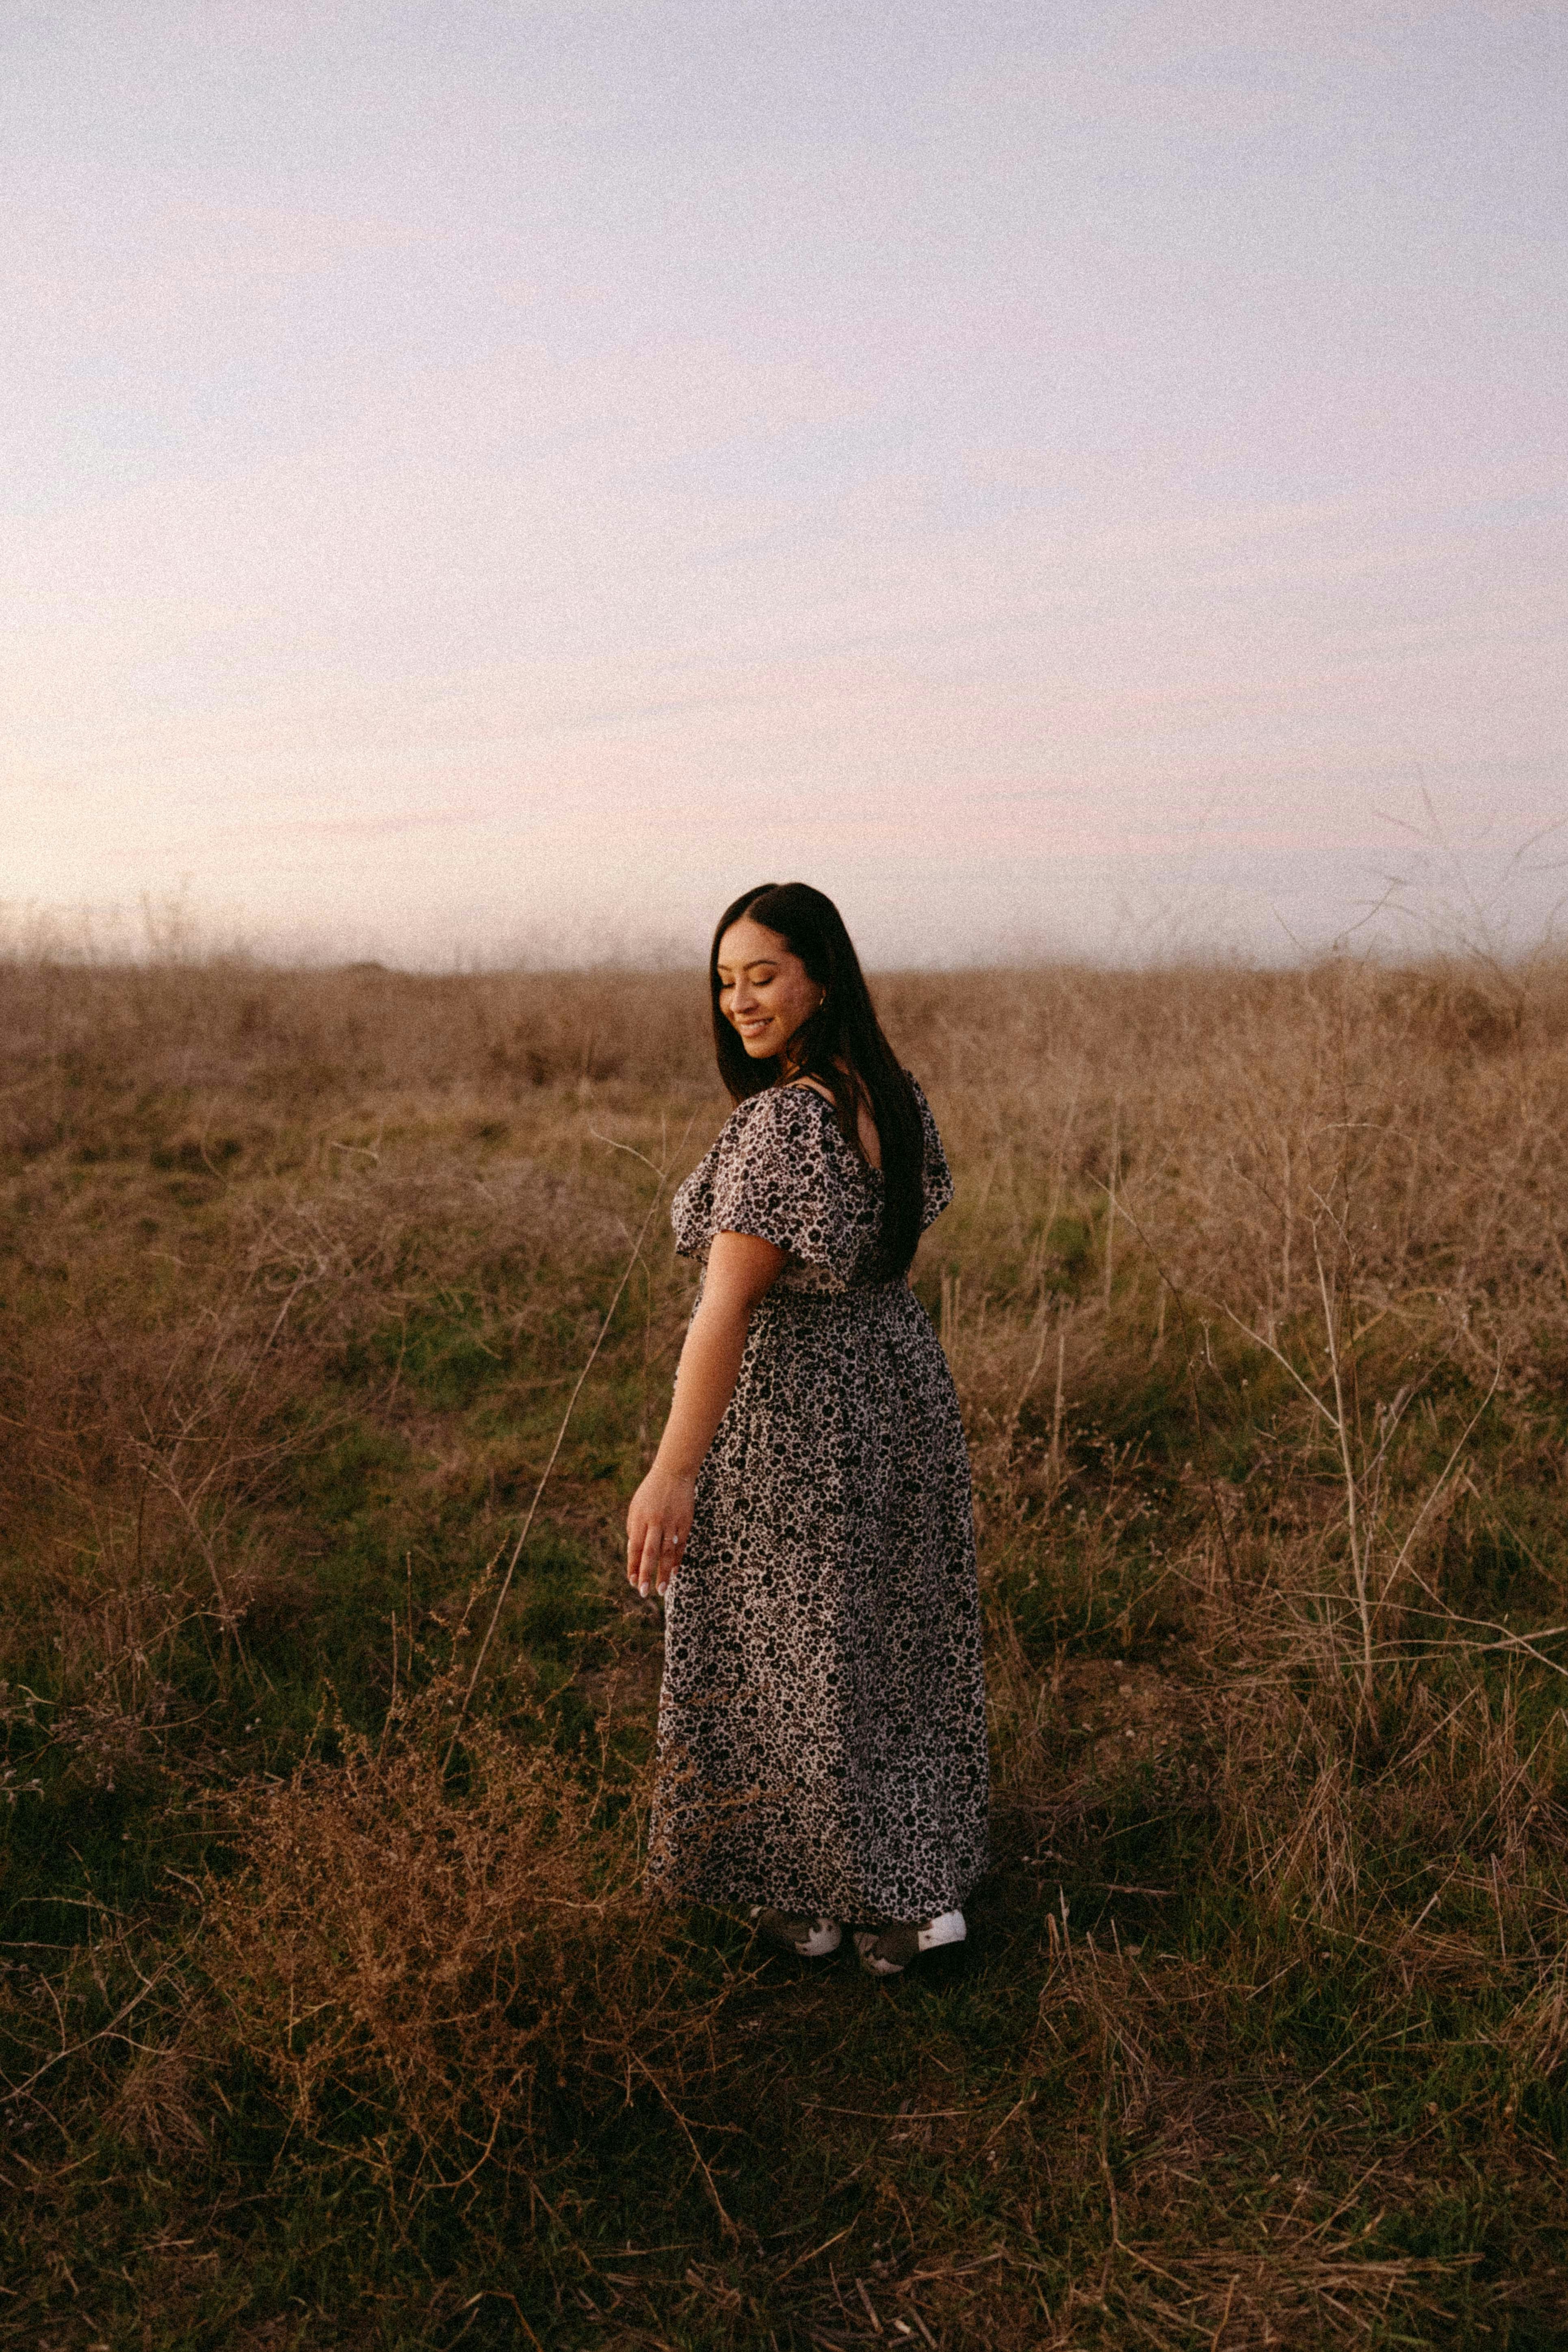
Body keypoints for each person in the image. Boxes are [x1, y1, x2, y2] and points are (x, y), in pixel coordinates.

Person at [626, 881, 989, 1977]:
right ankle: (914, 1895)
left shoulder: (783, 1122)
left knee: (783, 1649)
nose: (739, 1000)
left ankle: (811, 1892)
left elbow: (725, 1308)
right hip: (897, 1387)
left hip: (798, 1416)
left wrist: (671, 1474)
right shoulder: (890, 1092)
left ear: (820, 978)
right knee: (886, 1643)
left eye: (763, 975)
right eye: (725, 980)